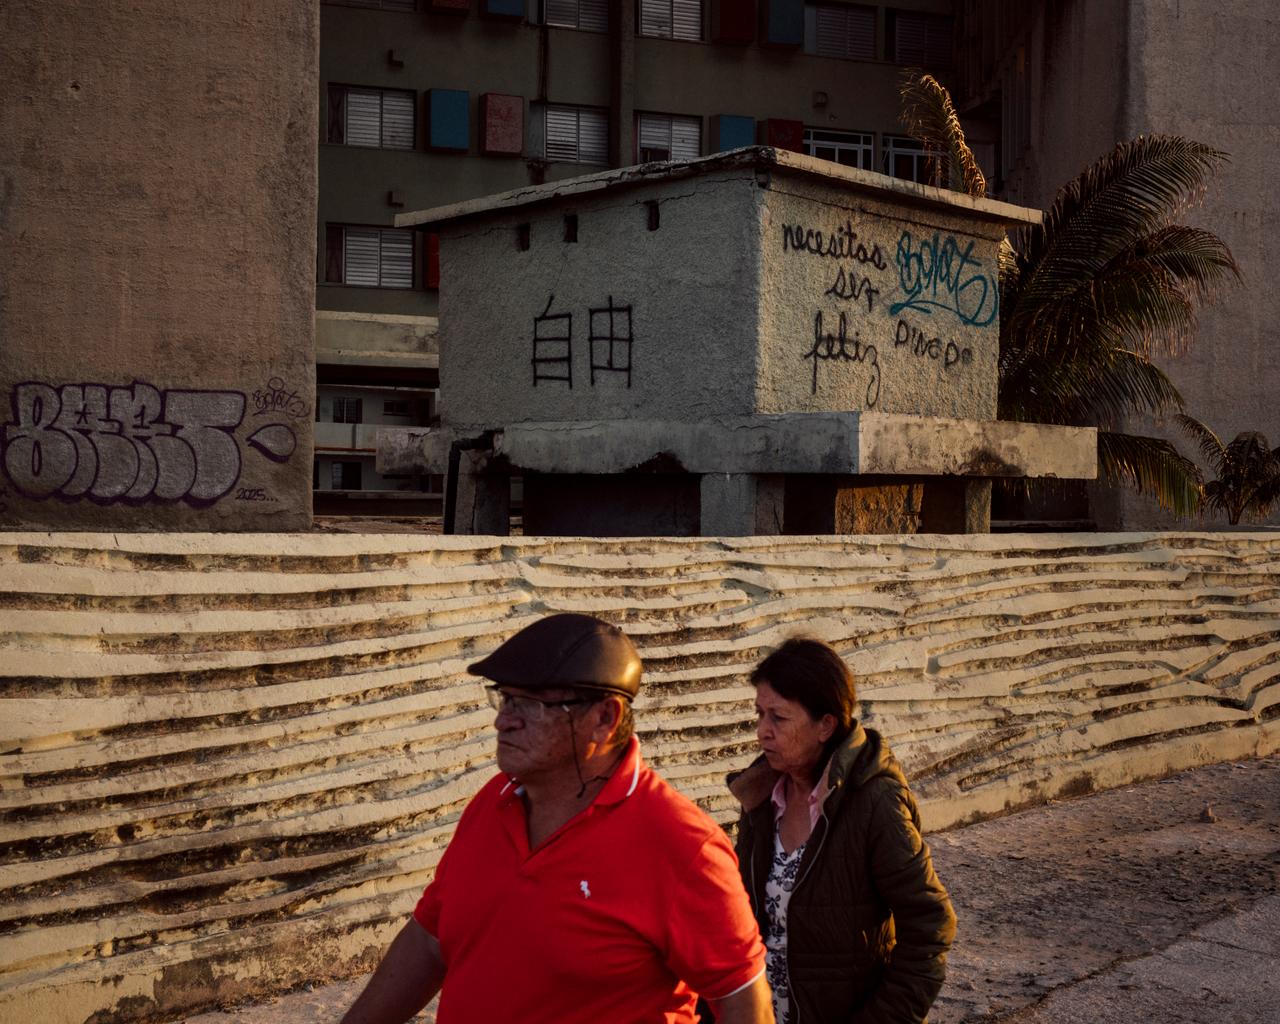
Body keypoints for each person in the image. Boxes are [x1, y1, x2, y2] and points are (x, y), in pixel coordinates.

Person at [341, 612, 773, 1024]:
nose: (502, 721)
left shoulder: (683, 845)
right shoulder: (492, 804)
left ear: (605, 718)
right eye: (505, 698)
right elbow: (429, 940)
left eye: (529, 704)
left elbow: (743, 1001)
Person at [728, 638, 955, 1024]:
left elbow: (931, 927)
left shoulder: (874, 802)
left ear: (826, 725)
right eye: (759, 715)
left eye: (778, 718)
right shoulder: (763, 799)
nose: (762, 732)